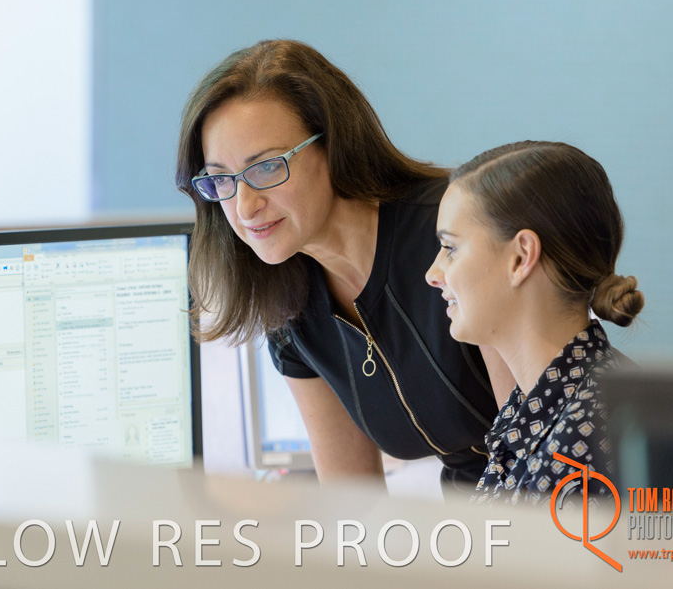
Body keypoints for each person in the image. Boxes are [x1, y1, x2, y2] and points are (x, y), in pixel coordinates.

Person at [175, 40, 511, 490]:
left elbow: (534, 451)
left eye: (267, 168)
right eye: (221, 179)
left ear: (333, 145)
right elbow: (352, 502)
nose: (245, 207)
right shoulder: (288, 304)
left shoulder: (455, 234)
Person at [424, 141, 643, 503]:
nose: (433, 274)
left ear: (521, 257)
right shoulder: (540, 401)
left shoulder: (581, 445)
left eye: (450, 249)